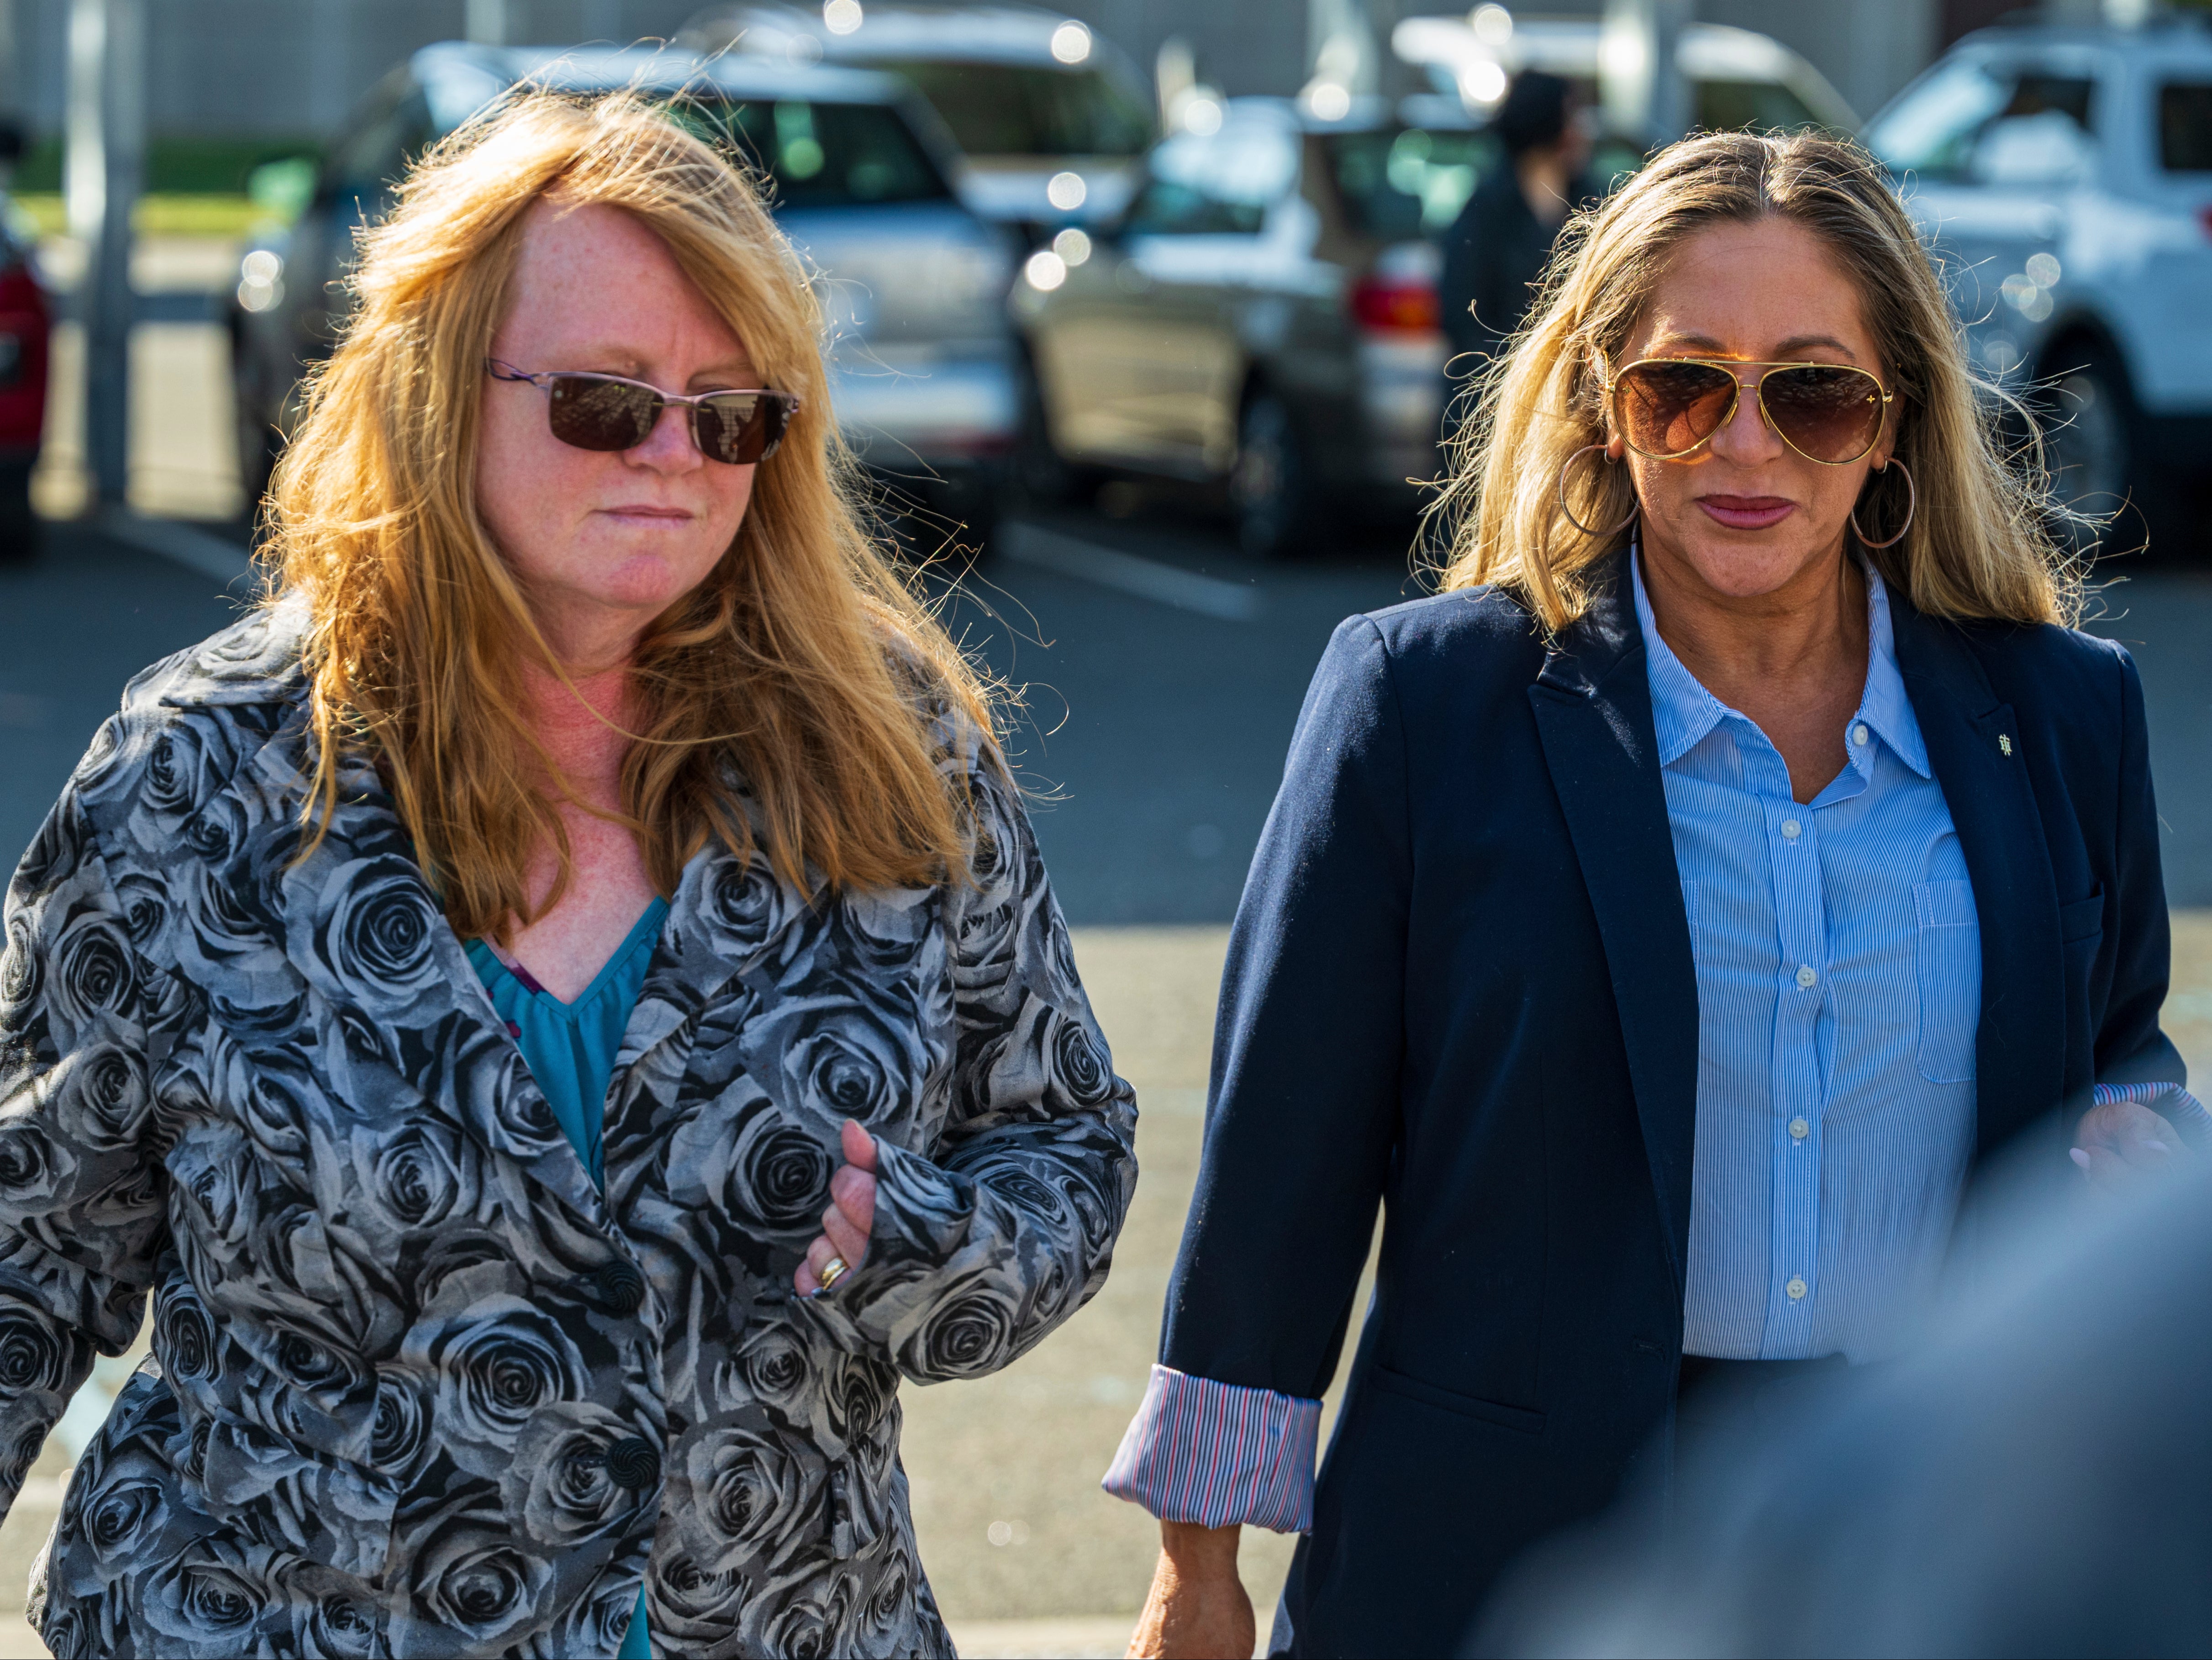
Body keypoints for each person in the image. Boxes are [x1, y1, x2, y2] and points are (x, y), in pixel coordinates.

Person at [0, 92, 1136, 1657]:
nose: (676, 454)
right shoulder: (202, 774)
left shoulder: (888, 744)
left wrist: (925, 1246)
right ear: (432, 392)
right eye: (606, 402)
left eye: (732, 412)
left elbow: (1065, 1142)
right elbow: (28, 1253)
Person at [1103, 128, 2196, 1659]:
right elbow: (1285, 1148)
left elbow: (2117, 1042)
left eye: (1812, 393)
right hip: (1497, 1558)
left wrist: (2140, 1132)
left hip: (1916, 1547)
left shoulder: (2065, 713)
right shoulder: (1424, 706)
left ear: (1890, 424)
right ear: (1607, 410)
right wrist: (1195, 1561)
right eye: (1683, 388)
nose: (1744, 445)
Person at [1438, 71, 1594, 367]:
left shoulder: (1591, 202)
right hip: (1498, 390)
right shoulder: (1487, 211)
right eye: (1573, 117)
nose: (1582, 131)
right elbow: (1464, 317)